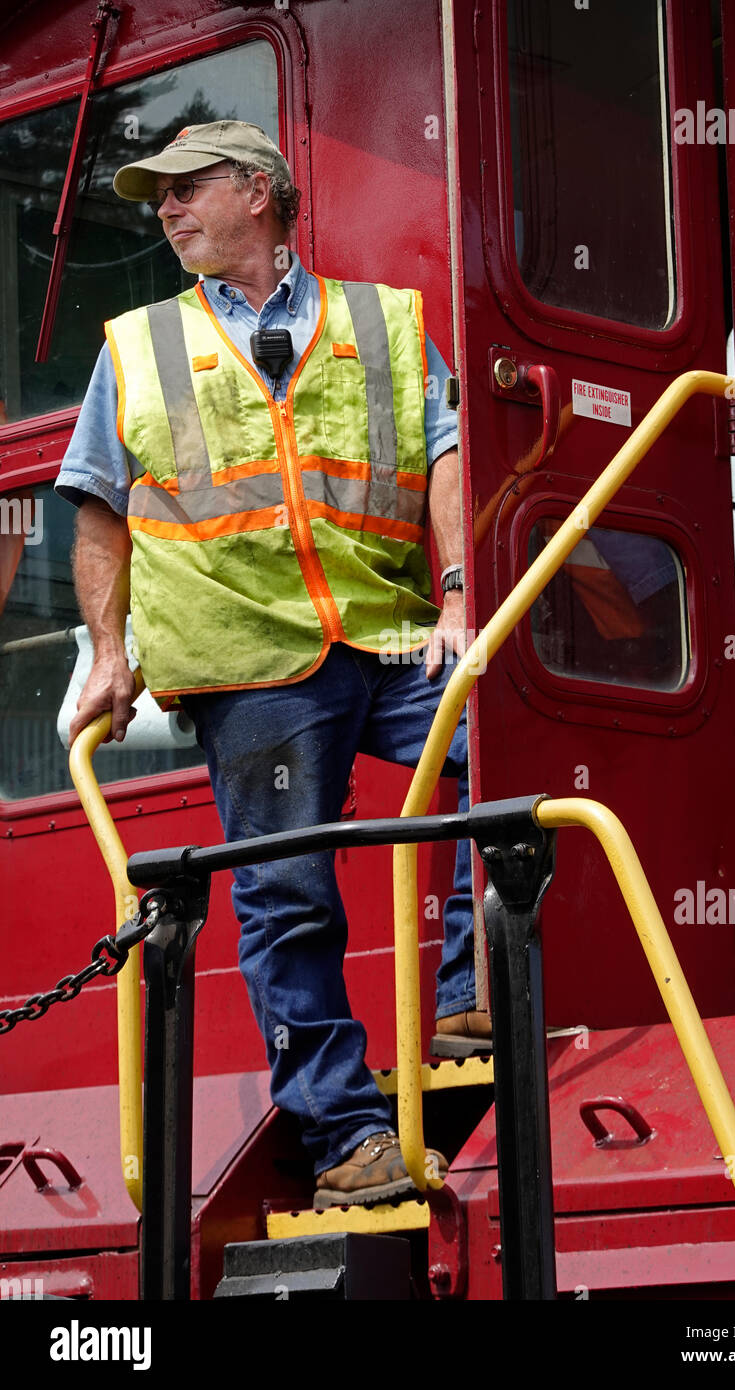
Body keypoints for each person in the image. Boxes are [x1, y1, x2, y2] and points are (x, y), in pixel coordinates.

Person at [55, 120, 491, 1208]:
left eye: (183, 187)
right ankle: (345, 1134)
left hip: (383, 631)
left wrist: (453, 594)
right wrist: (109, 654)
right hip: (248, 662)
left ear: (259, 190)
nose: (162, 207)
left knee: (511, 747)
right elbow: (97, 511)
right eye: (154, 194)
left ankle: (471, 988)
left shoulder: (384, 324)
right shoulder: (139, 346)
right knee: (289, 898)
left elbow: (446, 452)